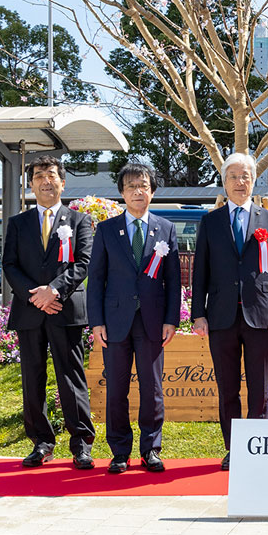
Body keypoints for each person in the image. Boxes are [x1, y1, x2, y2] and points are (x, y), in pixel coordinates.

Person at [191, 153, 268, 470]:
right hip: (220, 317)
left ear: (253, 180)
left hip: (260, 315)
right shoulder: (210, 221)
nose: (239, 182)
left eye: (245, 176)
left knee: (260, 388)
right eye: (233, 176)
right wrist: (198, 313)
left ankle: (257, 448)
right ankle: (234, 449)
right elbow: (200, 272)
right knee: (228, 388)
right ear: (224, 180)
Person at [2, 155, 96, 469]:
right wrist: (35, 296)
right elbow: (10, 265)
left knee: (71, 378)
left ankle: (81, 444)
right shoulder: (18, 224)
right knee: (33, 379)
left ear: (62, 182)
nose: (46, 180)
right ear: (30, 185)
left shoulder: (79, 221)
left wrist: (53, 290)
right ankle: (41, 442)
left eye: (52, 174)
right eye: (39, 175)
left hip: (65, 309)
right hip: (30, 312)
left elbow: (82, 262)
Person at [87, 163, 181, 474]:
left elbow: (173, 280)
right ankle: (119, 451)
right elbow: (96, 278)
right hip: (115, 322)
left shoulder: (165, 228)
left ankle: (151, 449)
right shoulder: (106, 230)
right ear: (122, 194)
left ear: (152, 191)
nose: (137, 191)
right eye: (131, 186)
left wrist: (171, 320)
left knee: (152, 387)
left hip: (153, 321)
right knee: (116, 388)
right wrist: (96, 322)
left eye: (143, 185)